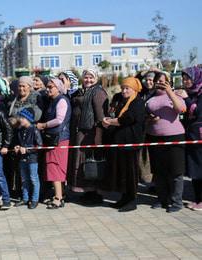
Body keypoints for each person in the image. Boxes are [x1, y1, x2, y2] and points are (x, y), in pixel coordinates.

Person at [102, 77, 146, 212]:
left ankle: (132, 200)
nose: (124, 91)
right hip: (120, 143)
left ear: (134, 90)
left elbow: (127, 119)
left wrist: (110, 122)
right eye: (123, 88)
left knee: (130, 173)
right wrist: (109, 119)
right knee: (122, 172)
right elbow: (115, 114)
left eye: (127, 88)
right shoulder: (121, 101)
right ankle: (124, 198)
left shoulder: (137, 102)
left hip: (131, 144)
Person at [146, 72, 186, 213]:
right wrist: (149, 118)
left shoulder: (176, 95)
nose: (161, 83)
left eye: (165, 81)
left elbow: (181, 109)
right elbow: (144, 116)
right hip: (154, 137)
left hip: (174, 137)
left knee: (176, 172)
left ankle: (176, 202)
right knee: (159, 172)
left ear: (169, 82)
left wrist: (169, 92)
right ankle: (162, 199)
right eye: (159, 81)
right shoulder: (150, 98)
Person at [67, 69, 109, 205]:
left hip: (91, 133)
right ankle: (86, 191)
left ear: (96, 79)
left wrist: (99, 135)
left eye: (91, 77)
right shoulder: (81, 91)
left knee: (91, 162)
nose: (88, 80)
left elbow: (101, 117)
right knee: (81, 162)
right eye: (86, 77)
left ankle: (95, 193)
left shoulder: (98, 92)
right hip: (80, 133)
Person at [37, 78, 72, 209]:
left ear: (58, 87)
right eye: (47, 86)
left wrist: (43, 125)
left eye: (51, 86)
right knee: (54, 167)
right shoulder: (53, 100)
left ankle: (58, 198)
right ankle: (60, 194)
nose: (48, 89)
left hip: (59, 139)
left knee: (55, 167)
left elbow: (59, 119)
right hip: (54, 138)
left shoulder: (62, 100)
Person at [180, 67, 202, 210]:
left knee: (200, 169)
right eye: (184, 78)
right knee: (194, 170)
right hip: (190, 137)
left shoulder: (199, 94)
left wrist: (186, 99)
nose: (185, 81)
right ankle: (198, 199)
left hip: (199, 138)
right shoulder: (190, 93)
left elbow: (199, 112)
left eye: (188, 78)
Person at [13, 108, 43, 209]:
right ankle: (25, 199)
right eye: (20, 117)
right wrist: (17, 147)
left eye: (22, 118)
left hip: (32, 159)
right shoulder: (20, 130)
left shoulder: (34, 130)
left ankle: (34, 199)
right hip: (23, 159)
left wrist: (27, 150)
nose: (20, 119)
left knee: (34, 179)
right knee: (24, 179)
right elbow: (20, 144)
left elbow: (39, 146)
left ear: (28, 118)